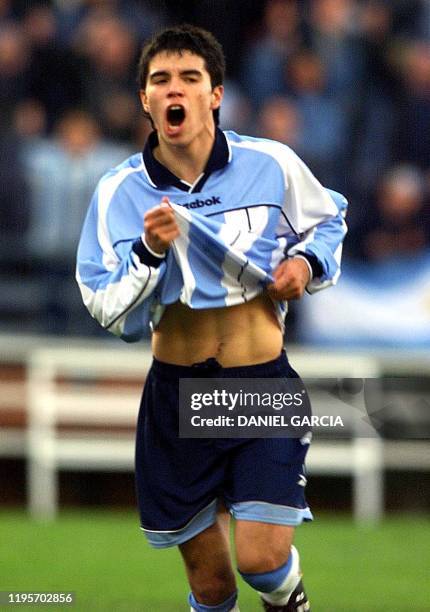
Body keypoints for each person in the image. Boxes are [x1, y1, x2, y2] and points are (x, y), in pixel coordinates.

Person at [76, 24, 347, 612]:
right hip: (177, 394)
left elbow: (329, 220)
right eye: (161, 79)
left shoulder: (271, 163)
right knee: (212, 584)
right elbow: (101, 301)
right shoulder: (119, 192)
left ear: (215, 94)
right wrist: (148, 253)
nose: (175, 89)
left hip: (259, 383)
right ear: (145, 99)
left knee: (260, 559)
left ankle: (287, 598)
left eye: (190, 78)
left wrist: (304, 262)